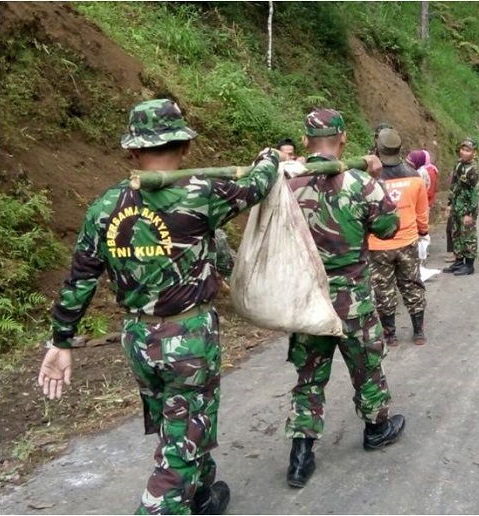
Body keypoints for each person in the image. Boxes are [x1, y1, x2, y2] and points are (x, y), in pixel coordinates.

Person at [37, 98, 281, 515]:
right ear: (185, 147)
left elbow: (79, 279)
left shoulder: (104, 207)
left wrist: (61, 341)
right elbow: (258, 185)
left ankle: (202, 493)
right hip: (189, 339)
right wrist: (272, 157)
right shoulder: (202, 192)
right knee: (182, 433)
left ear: (132, 151)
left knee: (178, 422)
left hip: (138, 339)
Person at [285, 108, 405, 489]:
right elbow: (389, 228)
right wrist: (376, 180)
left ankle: (300, 456)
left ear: (304, 141)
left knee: (309, 378)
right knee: (366, 367)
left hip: (308, 301)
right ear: (344, 139)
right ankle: (377, 427)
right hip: (353, 299)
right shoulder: (360, 183)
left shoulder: (288, 185)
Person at [369, 129, 430, 347]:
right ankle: (418, 332)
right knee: (412, 284)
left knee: (383, 289)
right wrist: (423, 232)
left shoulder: (369, 178)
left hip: (377, 245)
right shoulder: (415, 177)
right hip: (407, 240)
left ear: (378, 149)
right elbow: (422, 212)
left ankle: (391, 335)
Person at [443, 138, 479, 276]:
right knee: (456, 233)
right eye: (463, 149)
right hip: (457, 205)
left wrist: (470, 213)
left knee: (468, 236)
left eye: (468, 150)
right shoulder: (459, 165)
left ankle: (469, 265)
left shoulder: (474, 169)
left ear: (474, 153)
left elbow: (475, 193)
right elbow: (454, 185)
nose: (464, 153)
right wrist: (449, 204)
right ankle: (459, 261)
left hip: (467, 208)